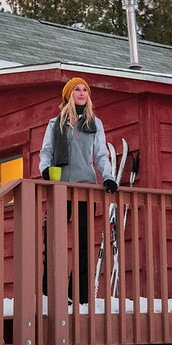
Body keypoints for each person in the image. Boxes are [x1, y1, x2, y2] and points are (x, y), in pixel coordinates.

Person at [39, 77, 117, 303]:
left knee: (83, 244)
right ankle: (51, 293)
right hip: (59, 188)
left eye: (85, 90)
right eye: (77, 90)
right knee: (53, 241)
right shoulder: (55, 124)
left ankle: (79, 295)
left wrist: (109, 177)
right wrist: (45, 170)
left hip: (85, 189)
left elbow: (101, 154)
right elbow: (46, 152)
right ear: (68, 94)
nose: (82, 93)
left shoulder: (94, 124)